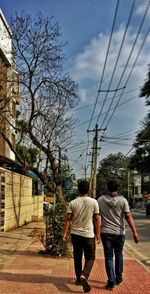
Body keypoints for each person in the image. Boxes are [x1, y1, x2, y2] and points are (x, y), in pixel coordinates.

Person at [97, 180, 140, 291]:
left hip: (105, 232)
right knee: (119, 254)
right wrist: (135, 232)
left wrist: (96, 233)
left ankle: (111, 281)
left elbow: (97, 217)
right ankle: (119, 279)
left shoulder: (100, 200)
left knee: (108, 257)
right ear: (118, 188)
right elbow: (128, 216)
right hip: (120, 233)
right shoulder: (123, 200)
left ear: (107, 187)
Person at [63, 179, 100, 293]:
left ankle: (79, 279)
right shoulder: (94, 202)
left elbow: (68, 219)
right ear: (88, 189)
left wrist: (64, 234)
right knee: (90, 257)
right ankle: (85, 275)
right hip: (89, 235)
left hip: (75, 234)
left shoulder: (73, 203)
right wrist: (98, 234)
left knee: (78, 258)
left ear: (78, 190)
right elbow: (97, 218)